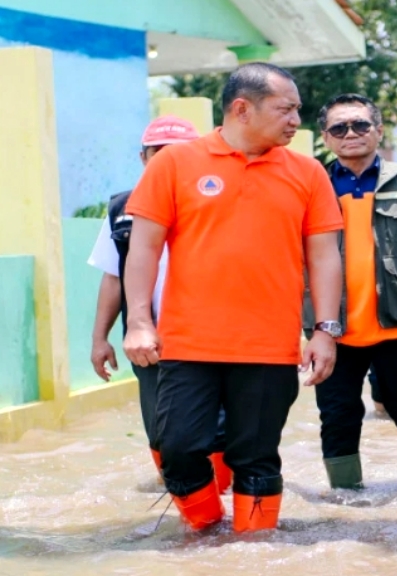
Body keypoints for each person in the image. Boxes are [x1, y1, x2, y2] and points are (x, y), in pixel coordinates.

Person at [123, 63, 344, 532]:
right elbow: (143, 247)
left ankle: (251, 550)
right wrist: (139, 321)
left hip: (269, 346)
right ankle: (205, 533)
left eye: (297, 110)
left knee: (256, 456)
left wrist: (325, 330)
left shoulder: (307, 172)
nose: (296, 120)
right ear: (242, 109)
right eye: (285, 109)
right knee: (178, 449)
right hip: (187, 344)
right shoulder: (174, 164)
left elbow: (324, 256)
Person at [312, 93, 397, 490]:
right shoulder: (313, 186)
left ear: (378, 130)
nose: (350, 133)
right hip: (333, 329)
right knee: (337, 417)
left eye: (360, 125)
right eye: (339, 128)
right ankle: (345, 500)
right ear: (326, 137)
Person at [87, 116, 232, 493]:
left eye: (178, 153)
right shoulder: (123, 209)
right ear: (143, 158)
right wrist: (100, 339)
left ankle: (221, 504)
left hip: (213, 338)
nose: (168, 160)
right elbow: (113, 277)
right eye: (159, 152)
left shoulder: (222, 199)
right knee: (159, 425)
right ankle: (186, 504)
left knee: (221, 424)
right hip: (148, 341)